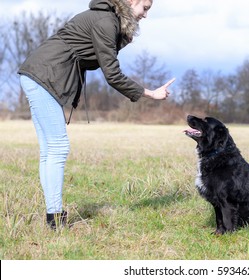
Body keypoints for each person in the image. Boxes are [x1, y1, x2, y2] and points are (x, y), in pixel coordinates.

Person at [18, 0, 174, 230]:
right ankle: (54, 219)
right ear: (131, 2)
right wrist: (150, 93)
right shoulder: (106, 21)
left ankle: (53, 216)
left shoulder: (108, 20)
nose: (146, 15)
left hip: (38, 74)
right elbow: (112, 74)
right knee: (58, 147)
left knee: (50, 149)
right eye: (145, 8)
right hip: (44, 76)